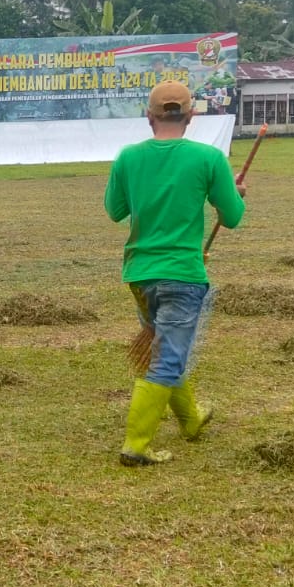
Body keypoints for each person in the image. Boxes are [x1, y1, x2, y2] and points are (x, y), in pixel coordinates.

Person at [105, 81, 246, 467]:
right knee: (167, 356)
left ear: (148, 116)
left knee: (166, 346)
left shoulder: (128, 158)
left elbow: (114, 211)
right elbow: (232, 217)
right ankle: (136, 445)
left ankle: (191, 419)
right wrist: (234, 193)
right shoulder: (209, 159)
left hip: (140, 275)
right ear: (191, 116)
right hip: (183, 274)